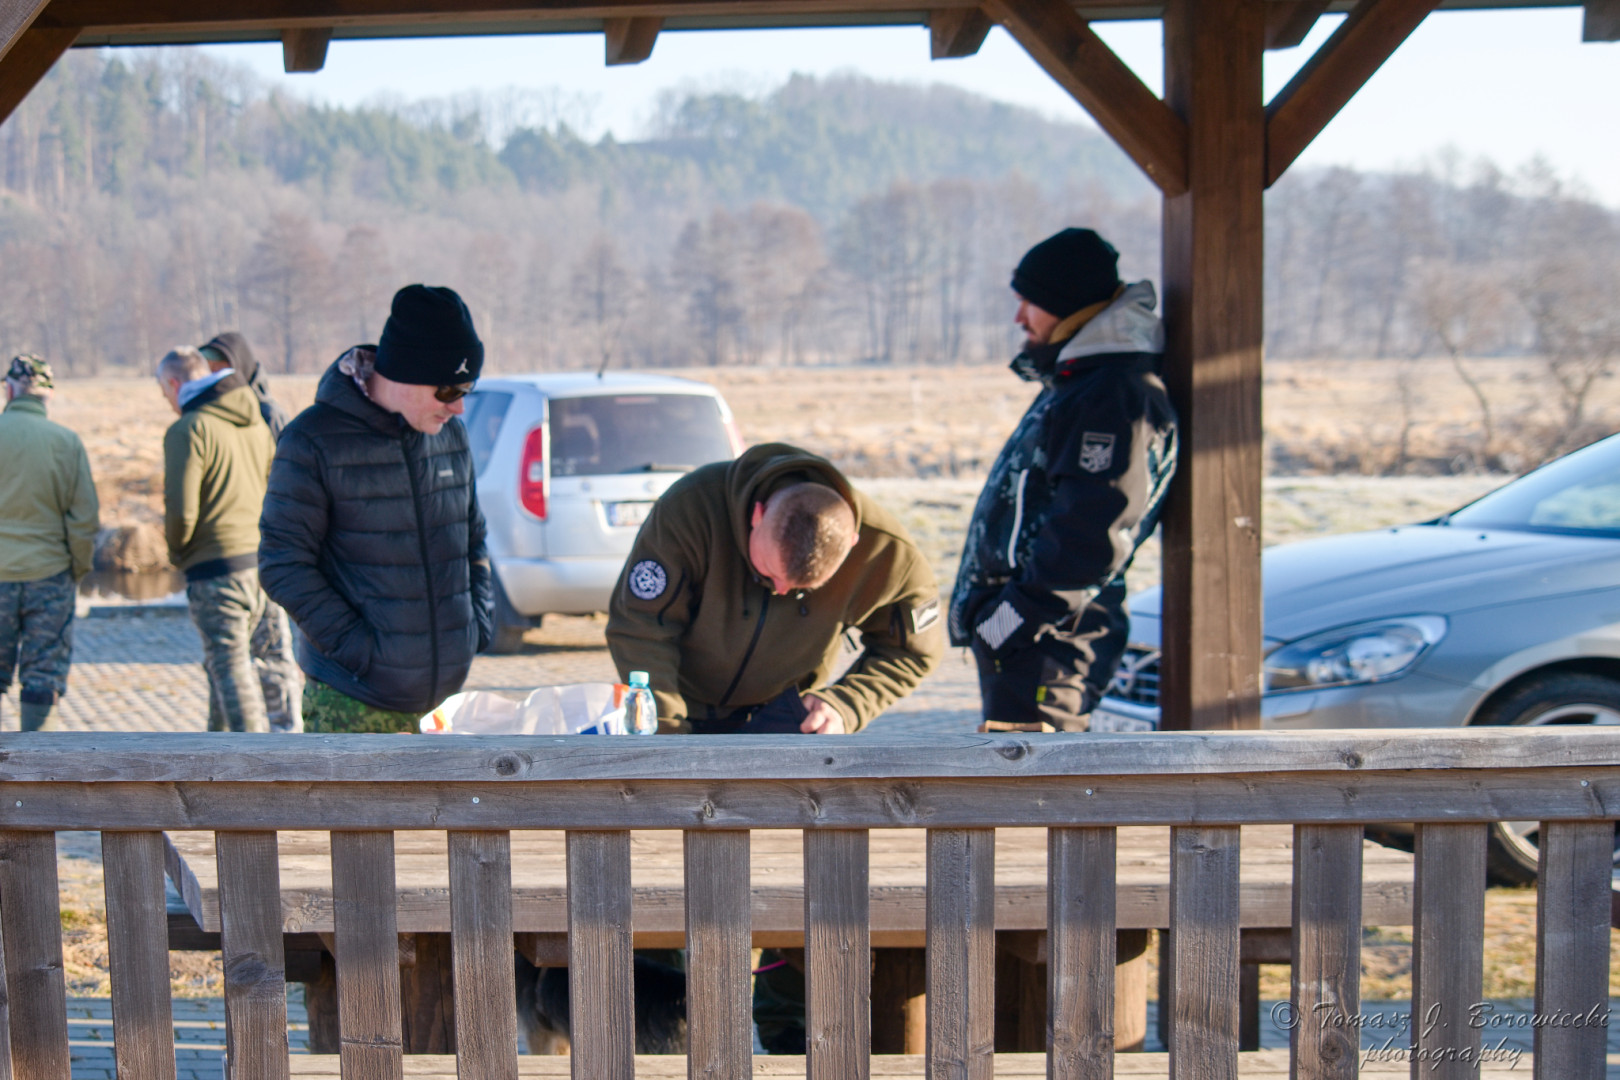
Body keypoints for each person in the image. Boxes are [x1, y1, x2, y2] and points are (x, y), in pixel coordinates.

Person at [950, 228, 1178, 732]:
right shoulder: (1085, 380)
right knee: (1021, 770)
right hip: (1039, 637)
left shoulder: (1110, 396)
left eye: (1030, 302)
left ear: (1069, 305)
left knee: (1041, 775)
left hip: (1051, 640)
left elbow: (1091, 532)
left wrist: (1011, 621)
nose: (1019, 317)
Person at [259, 284, 492, 733]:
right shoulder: (312, 440)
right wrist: (361, 650)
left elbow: (473, 540)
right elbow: (282, 564)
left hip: (445, 703)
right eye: (448, 389)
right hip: (353, 702)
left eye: (468, 389)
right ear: (404, 373)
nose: (459, 406)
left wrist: (476, 625)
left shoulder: (450, 436)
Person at [607, 442, 944, 735]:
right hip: (683, 709)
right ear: (758, 515)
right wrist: (667, 731)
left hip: (787, 719)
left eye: (803, 589)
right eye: (770, 571)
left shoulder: (884, 550)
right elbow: (641, 625)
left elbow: (913, 650)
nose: (781, 590)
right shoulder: (692, 509)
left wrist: (847, 704)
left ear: (853, 543)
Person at [157, 345, 302, 733]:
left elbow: (181, 510)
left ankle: (245, 760)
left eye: (163, 391)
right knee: (272, 659)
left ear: (174, 384)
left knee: (229, 667)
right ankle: (284, 746)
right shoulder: (254, 423)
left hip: (215, 567)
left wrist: (178, 554)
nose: (166, 400)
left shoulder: (188, 429)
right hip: (262, 563)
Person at [0, 355, 99, 731]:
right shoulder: (66, 442)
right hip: (50, 575)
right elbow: (84, 519)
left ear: (8, 390)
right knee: (43, 680)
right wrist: (77, 570)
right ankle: (40, 762)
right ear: (48, 396)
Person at [200, 331, 291, 439]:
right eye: (210, 368)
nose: (214, 376)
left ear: (241, 369)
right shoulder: (206, 411)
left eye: (220, 369)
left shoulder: (271, 416)